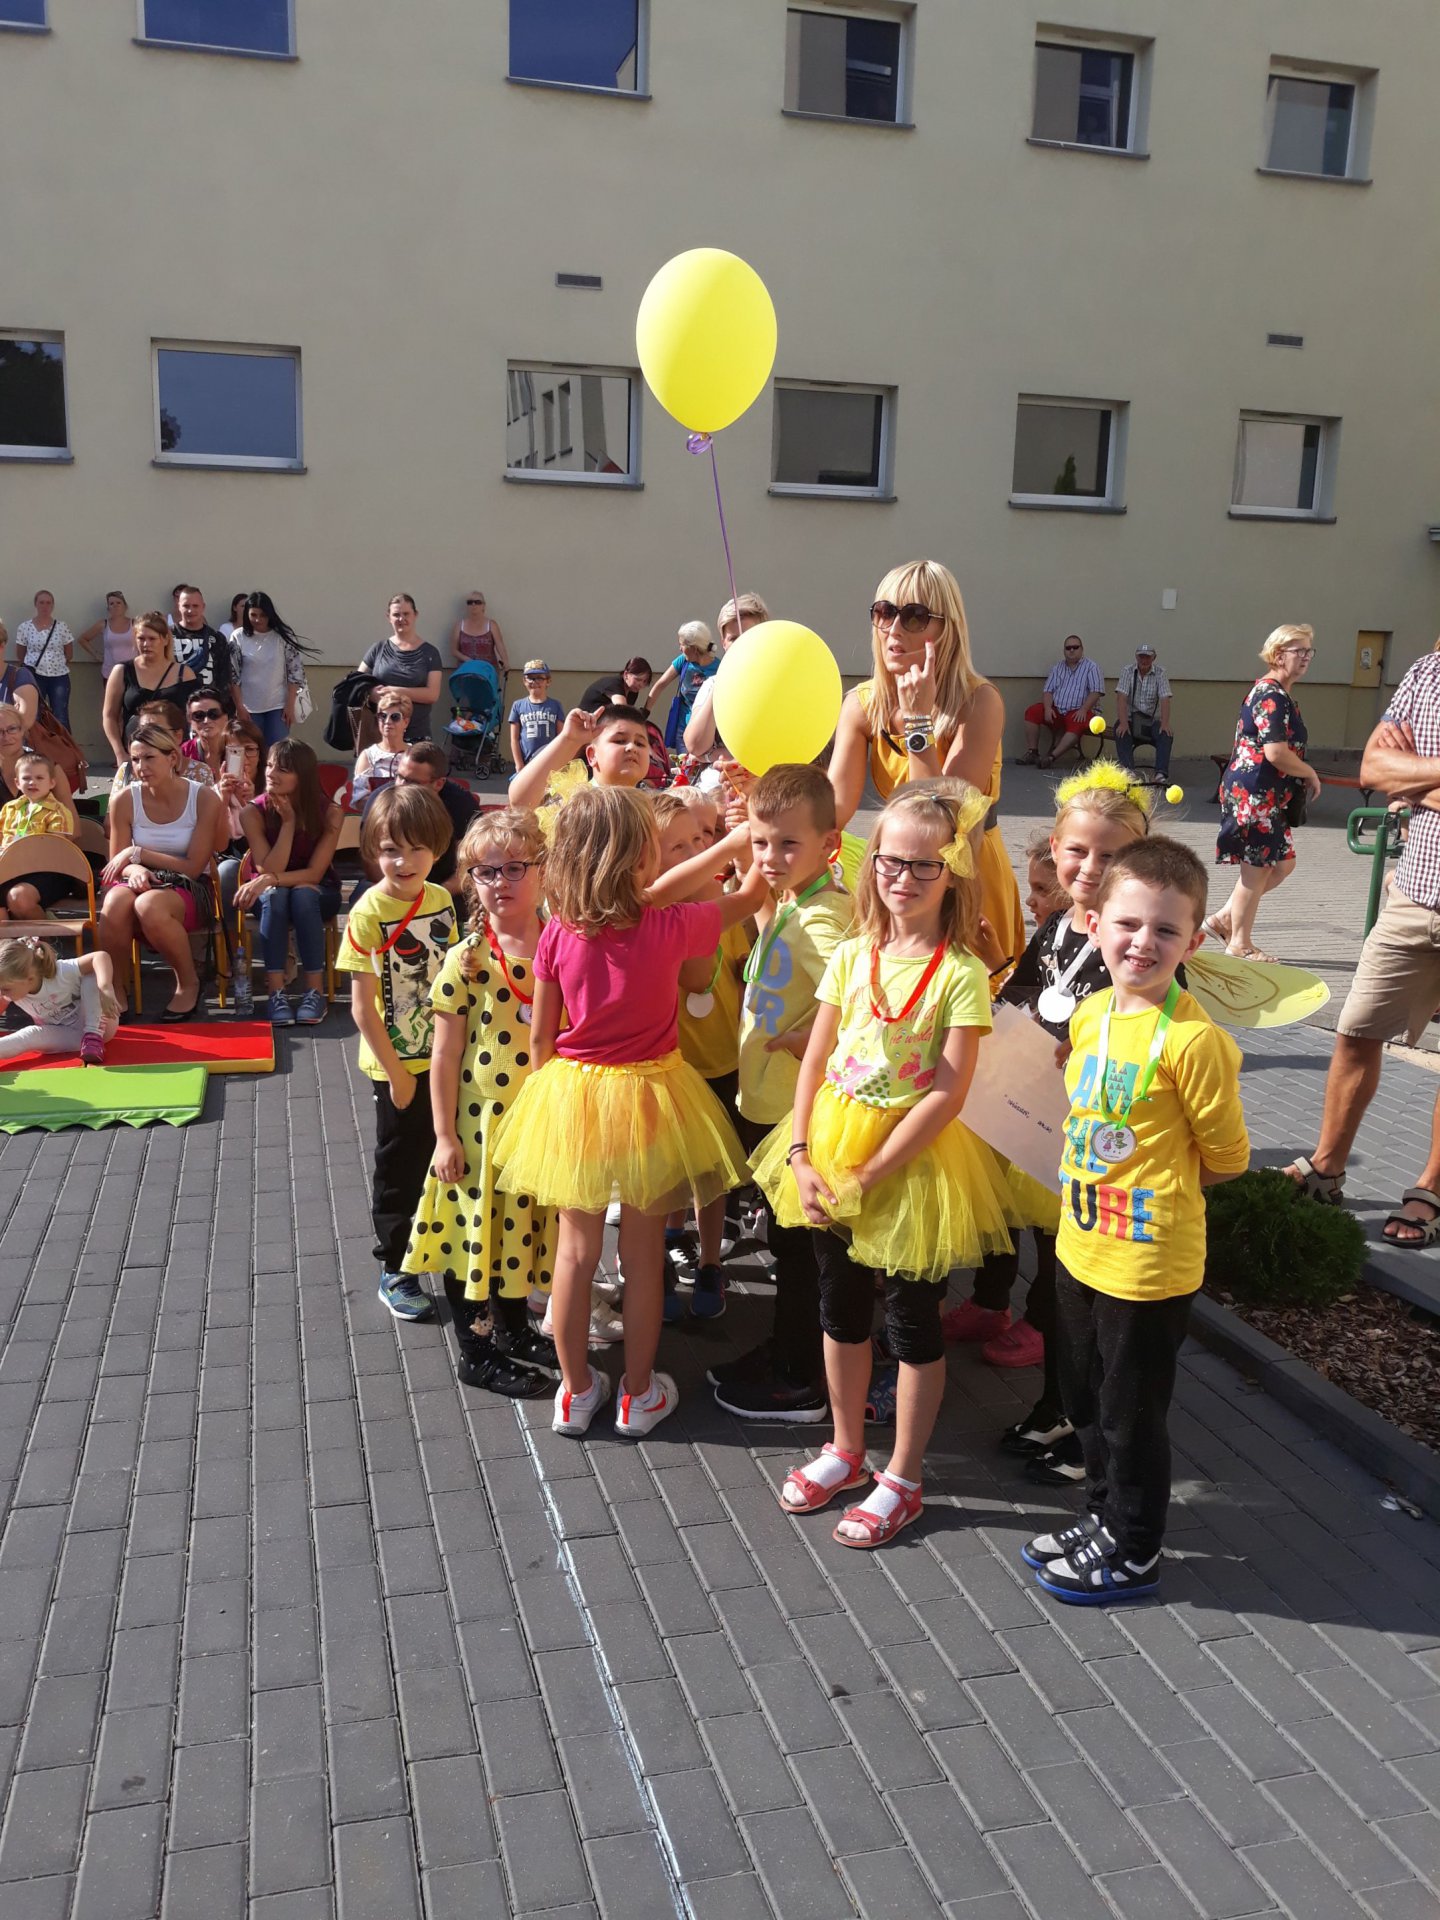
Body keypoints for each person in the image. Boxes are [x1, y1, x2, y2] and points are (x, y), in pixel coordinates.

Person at [752, 782, 1013, 1548]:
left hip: (911, 1162)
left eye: (924, 865)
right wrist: (801, 1154)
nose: (903, 877)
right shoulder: (851, 953)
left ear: (952, 875)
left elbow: (947, 1091)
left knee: (910, 1319)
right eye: (891, 861)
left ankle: (902, 1475)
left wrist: (871, 1173)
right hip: (830, 1145)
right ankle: (845, 1449)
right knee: (839, 1308)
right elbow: (815, 1061)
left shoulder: (959, 973)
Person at [491, 785, 767, 1438]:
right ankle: (638, 1395)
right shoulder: (668, 926)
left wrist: (550, 1105)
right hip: (650, 1096)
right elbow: (750, 897)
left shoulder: (558, 932)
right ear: (642, 858)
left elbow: (541, 1040)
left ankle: (575, 1392)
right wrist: (746, 843)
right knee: (642, 1258)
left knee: (575, 1253)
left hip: (573, 1093)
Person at [1022, 838, 1247, 1601]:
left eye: (1165, 930)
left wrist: (1156, 1187)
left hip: (1147, 1266)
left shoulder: (1194, 1042)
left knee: (1130, 1417)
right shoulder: (1091, 1016)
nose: (1143, 942)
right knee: (1083, 1400)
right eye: (1127, 923)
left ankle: (1136, 1548)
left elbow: (1227, 1158)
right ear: (1093, 924)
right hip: (1080, 1247)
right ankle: (1102, 1517)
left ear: (1192, 941)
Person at [951, 764, 1152, 1488]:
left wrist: (1090, 1045)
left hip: (1100, 1145)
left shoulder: (1138, 938)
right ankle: (1059, 1405)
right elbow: (1026, 993)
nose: (1090, 868)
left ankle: (1088, 1430)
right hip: (1043, 1128)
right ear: (1056, 849)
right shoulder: (1059, 926)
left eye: (1110, 854)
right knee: (1061, 1287)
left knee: (1087, 1296)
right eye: (1077, 851)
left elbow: (1155, 1031)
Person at [1285, 643, 1440, 1243]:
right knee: (1355, 1031)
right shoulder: (1429, 671)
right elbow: (1374, 770)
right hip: (1416, 894)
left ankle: (1431, 1188)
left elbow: (1395, 775)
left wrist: (1416, 777)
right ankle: (1327, 1169)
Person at [711, 763, 852, 1422]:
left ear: (830, 844)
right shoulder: (794, 898)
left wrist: (814, 1038)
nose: (770, 857)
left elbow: (866, 996)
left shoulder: (827, 917)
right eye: (761, 842)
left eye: (788, 844)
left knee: (802, 1254)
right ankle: (786, 1349)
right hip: (770, 1103)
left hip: (797, 1115)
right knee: (785, 1243)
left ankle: (800, 1378)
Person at [402, 808, 559, 1395]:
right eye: (486, 872)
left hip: (536, 1117)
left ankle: (514, 1331)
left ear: (543, 871)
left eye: (515, 867)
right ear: (471, 881)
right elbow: (444, 1056)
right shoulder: (468, 958)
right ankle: (476, 1350)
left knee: (515, 1229)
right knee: (473, 1234)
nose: (501, 882)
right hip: (479, 1123)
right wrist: (444, 1136)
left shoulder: (560, 943)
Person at [829, 559, 1025, 983]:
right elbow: (834, 812)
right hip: (900, 874)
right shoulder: (862, 703)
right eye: (884, 612)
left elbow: (941, 819)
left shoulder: (979, 701)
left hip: (966, 873)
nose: (893, 629)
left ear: (946, 629)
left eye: (914, 616)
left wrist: (918, 722)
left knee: (975, 1004)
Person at [336, 783, 460, 1322]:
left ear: (437, 849)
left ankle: (448, 1250)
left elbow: (450, 973)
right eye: (390, 849)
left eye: (416, 849)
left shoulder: (441, 900)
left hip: (445, 1057)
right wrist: (396, 1074)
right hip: (398, 1066)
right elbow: (361, 1009)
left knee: (446, 1156)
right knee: (400, 1165)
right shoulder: (368, 912)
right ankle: (395, 1267)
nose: (403, 862)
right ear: (373, 850)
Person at [651, 789, 750, 1322]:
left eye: (702, 839)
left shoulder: (724, 907)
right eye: (678, 846)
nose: (696, 853)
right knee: (668, 1169)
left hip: (723, 1061)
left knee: (715, 1172)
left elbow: (744, 972)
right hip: (669, 1066)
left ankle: (711, 1261)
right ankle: (662, 1253)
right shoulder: (651, 914)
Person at [1210, 624, 1321, 963]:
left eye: (1309, 651)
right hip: (1255, 794)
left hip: (1265, 795)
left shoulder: (1279, 694)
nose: (1306, 657)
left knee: (1283, 863)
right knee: (1256, 869)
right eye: (1298, 651)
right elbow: (1275, 752)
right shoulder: (1271, 695)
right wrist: (1309, 772)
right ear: (1277, 655)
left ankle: (1224, 918)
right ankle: (1239, 943)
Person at [98, 721, 224, 1020]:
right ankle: (116, 989)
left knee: (149, 905)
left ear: (172, 758)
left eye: (149, 758)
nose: (141, 767)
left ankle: (188, 983)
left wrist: (139, 854)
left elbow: (193, 867)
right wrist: (134, 868)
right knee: (115, 902)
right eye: (135, 759)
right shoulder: (125, 799)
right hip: (139, 879)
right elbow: (117, 863)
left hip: (188, 885)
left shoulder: (204, 798)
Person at [235, 739, 343, 1028]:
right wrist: (288, 823)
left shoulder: (330, 812)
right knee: (277, 897)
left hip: (317, 892)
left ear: (303, 776)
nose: (271, 773)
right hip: (270, 896)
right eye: (270, 765)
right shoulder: (252, 812)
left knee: (302, 895)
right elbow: (269, 867)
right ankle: (276, 993)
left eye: (282, 769)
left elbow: (314, 874)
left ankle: (314, 993)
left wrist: (272, 879)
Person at [359, 742, 478, 896]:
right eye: (399, 777)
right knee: (362, 895)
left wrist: (435, 895)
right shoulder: (380, 800)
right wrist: (396, 895)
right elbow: (370, 858)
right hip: (390, 884)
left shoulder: (461, 804)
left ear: (438, 784)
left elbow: (471, 863)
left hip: (443, 886)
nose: (401, 785)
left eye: (412, 782)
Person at [508, 702, 653, 813]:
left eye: (640, 743)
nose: (632, 747)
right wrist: (569, 739)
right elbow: (521, 803)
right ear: (592, 755)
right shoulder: (573, 802)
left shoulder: (653, 809)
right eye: (620, 741)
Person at [0, 937, 118, 1066]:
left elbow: (100, 956)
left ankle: (93, 1037)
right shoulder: (9, 992)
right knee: (30, 1034)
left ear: (30, 979)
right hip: (68, 1036)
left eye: (5, 989)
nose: (2, 993)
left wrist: (105, 988)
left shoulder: (60, 972)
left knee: (91, 973)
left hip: (100, 1026)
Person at [684, 593, 771, 762]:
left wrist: (714, 755)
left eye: (749, 636)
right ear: (724, 643)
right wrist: (721, 684)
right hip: (718, 777)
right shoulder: (713, 684)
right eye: (733, 638)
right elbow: (695, 745)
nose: (742, 644)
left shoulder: (778, 682)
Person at [103, 612, 197, 767]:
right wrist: (119, 753)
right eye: (141, 638)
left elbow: (193, 718)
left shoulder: (184, 674)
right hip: (137, 756)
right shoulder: (122, 671)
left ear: (165, 639)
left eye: (152, 639)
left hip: (173, 754)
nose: (146, 644)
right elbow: (109, 716)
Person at [0, 750, 78, 923]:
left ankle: (47, 939)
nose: (32, 782)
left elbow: (53, 849)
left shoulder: (58, 811)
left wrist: (18, 852)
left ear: (51, 783)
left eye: (39, 778)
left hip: (49, 871)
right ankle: (9, 940)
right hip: (11, 869)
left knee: (19, 897)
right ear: (17, 782)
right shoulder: (9, 809)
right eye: (26, 778)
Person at [230, 591, 309, 748]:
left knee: (276, 751)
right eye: (253, 615)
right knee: (251, 750)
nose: (258, 620)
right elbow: (233, 675)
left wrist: (290, 704)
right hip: (248, 708)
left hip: (278, 706)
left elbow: (295, 671)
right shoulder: (238, 637)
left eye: (263, 615)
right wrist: (239, 706)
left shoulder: (283, 637)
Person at [360, 594, 443, 743]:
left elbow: (432, 694)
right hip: (380, 736)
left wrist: (396, 691)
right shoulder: (378, 648)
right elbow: (356, 682)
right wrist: (371, 694)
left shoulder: (430, 653)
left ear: (415, 615)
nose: (401, 619)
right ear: (388, 617)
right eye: (396, 614)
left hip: (416, 734)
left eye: (406, 614)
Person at [1017, 635, 1105, 769]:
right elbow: (1048, 691)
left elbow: (1096, 692)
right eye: (1068, 648)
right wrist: (1048, 708)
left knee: (1078, 722)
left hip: (1079, 711)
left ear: (1082, 649)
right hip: (1058, 710)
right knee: (1033, 712)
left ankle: (1051, 757)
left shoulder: (1092, 667)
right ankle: (1032, 752)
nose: (1071, 650)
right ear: (1064, 651)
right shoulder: (1057, 668)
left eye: (1075, 647)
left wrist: (1083, 709)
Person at [14, 591, 77, 731]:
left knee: (60, 715)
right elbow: (20, 654)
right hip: (34, 676)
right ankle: (35, 744)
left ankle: (62, 744)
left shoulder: (61, 627)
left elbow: (69, 653)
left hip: (59, 676)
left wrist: (57, 663)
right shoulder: (25, 627)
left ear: (53, 605)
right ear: (36, 604)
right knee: (34, 714)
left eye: (48, 603)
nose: (45, 606)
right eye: (41, 602)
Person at [651, 622, 717, 746]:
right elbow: (660, 685)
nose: (680, 648)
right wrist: (645, 712)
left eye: (682, 644)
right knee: (684, 759)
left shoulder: (719, 668)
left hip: (706, 733)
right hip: (683, 729)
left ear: (694, 648)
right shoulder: (683, 661)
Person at [171, 587, 237, 705]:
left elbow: (225, 677)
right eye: (186, 606)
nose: (190, 610)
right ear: (179, 606)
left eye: (195, 606)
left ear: (203, 607)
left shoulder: (217, 638)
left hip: (209, 706)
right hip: (176, 705)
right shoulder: (167, 637)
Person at [1115, 644, 1173, 777]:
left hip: (1151, 722)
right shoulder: (1127, 671)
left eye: (1147, 657)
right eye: (1141, 656)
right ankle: (1128, 771)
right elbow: (1121, 698)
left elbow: (1165, 698)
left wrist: (1165, 723)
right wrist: (1123, 723)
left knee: (1166, 733)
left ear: (1154, 658)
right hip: (1132, 720)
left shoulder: (1160, 672)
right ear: (1136, 657)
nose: (1144, 660)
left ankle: (1161, 774)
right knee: (1120, 729)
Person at [350, 693, 412, 805]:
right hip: (378, 814)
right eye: (382, 716)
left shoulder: (415, 754)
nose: (387, 721)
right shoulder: (368, 756)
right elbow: (359, 801)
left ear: (406, 722)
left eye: (395, 717)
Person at [507, 661, 564, 769]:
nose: (535, 682)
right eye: (530, 678)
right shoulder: (518, 705)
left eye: (540, 678)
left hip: (549, 761)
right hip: (527, 763)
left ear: (548, 681)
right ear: (524, 681)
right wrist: (519, 764)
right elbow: (514, 739)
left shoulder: (556, 705)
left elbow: (561, 737)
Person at [78, 593, 137, 678]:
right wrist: (96, 654)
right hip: (110, 672)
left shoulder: (135, 624)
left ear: (125, 606)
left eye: (118, 603)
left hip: (132, 672)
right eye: (111, 604)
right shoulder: (103, 624)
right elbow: (82, 639)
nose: (115, 606)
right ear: (108, 608)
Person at [452, 591, 508, 673]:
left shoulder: (492, 625)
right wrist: (468, 660)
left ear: (483, 605)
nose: (473, 605)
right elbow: (454, 650)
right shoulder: (459, 625)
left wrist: (506, 662)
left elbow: (500, 646)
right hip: (466, 670)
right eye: (470, 602)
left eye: (477, 602)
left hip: (487, 671)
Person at [580, 657, 654, 714]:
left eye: (645, 681)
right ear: (626, 674)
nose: (641, 684)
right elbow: (623, 713)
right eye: (638, 679)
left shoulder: (632, 692)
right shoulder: (613, 684)